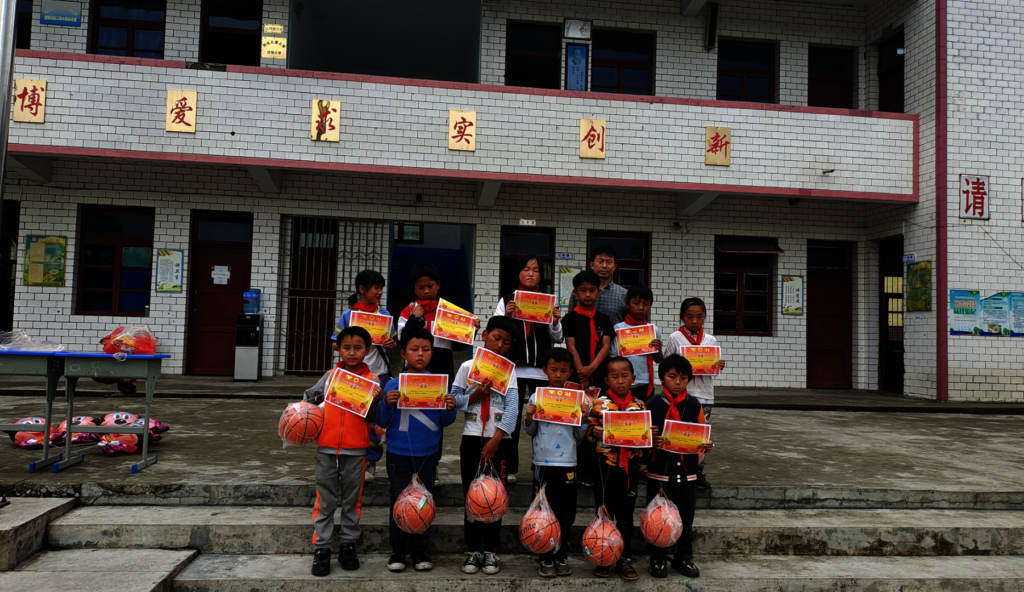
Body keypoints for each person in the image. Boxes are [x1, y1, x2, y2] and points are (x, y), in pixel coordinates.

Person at [376, 327, 458, 573]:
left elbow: (446, 422)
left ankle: (420, 550)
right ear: (403, 353)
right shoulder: (393, 385)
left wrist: (450, 408)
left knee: (424, 503)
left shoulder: (439, 384)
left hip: (427, 455)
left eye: (426, 349)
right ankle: (398, 550)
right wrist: (386, 403)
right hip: (398, 455)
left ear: (432, 353)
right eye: (414, 349)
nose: (420, 354)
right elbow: (382, 421)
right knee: (398, 502)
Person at [303, 326, 383, 577]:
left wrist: (376, 401)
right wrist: (298, 418)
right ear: (339, 348)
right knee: (325, 500)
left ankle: (348, 545)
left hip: (356, 450)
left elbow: (372, 418)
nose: (352, 352)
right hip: (326, 449)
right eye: (346, 347)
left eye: (358, 348)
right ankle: (322, 548)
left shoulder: (373, 381)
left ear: (367, 351)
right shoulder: (330, 376)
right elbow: (309, 400)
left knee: (351, 500)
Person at [452, 315, 520, 576]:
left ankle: (491, 549)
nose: (500, 345)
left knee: (495, 496)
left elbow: (513, 408)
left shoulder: (509, 371)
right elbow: (453, 400)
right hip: (471, 438)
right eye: (496, 338)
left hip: (499, 441)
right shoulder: (467, 367)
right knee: (472, 495)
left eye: (506, 342)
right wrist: (475, 395)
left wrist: (497, 438)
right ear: (484, 336)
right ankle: (472, 549)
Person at [494, 253, 564, 485]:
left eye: (536, 270)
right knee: (511, 418)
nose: (531, 274)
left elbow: (558, 337)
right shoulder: (507, 300)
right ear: (518, 274)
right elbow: (496, 333)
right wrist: (507, 316)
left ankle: (541, 465)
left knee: (542, 418)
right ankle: (508, 468)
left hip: (540, 371)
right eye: (526, 269)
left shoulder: (548, 302)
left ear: (541, 276)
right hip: (512, 370)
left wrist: (555, 321)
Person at [522, 347, 589, 578]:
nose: (558, 375)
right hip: (542, 464)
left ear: (570, 372)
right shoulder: (536, 397)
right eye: (553, 370)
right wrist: (529, 416)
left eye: (563, 370)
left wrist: (584, 420)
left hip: (568, 464)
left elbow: (579, 437)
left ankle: (561, 554)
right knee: (542, 513)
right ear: (545, 370)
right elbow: (530, 431)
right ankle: (545, 555)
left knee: (565, 513)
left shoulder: (577, 400)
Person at [645, 354, 712, 579]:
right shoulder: (651, 404)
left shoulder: (694, 404)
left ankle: (684, 557)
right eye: (672, 377)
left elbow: (703, 433)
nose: (677, 382)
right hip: (659, 474)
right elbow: (641, 438)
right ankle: (658, 557)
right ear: (662, 378)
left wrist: (707, 445)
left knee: (685, 517)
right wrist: (652, 442)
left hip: (687, 475)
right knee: (658, 518)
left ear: (689, 380)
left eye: (683, 378)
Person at [586, 356, 653, 580]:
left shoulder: (640, 406)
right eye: (615, 377)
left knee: (625, 515)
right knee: (604, 512)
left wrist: (648, 435)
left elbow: (644, 442)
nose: (621, 380)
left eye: (625, 376)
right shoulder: (598, 404)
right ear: (606, 380)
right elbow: (587, 435)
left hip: (630, 467)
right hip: (605, 466)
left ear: (633, 378)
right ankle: (603, 556)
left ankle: (624, 558)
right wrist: (594, 433)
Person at [336, 269, 397, 484]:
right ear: (362, 289)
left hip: (378, 374)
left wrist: (391, 342)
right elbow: (335, 343)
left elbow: (393, 341)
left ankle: (370, 462)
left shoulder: (385, 315)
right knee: (351, 417)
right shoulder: (348, 315)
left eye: (381, 288)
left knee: (375, 421)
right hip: (353, 376)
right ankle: (348, 459)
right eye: (376, 288)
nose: (380, 292)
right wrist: (352, 346)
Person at [664, 297, 726, 489]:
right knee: (679, 429)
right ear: (682, 317)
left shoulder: (710, 340)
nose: (694, 321)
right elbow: (666, 364)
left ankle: (698, 469)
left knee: (701, 432)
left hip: (705, 394)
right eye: (689, 316)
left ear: (705, 317)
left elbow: (712, 368)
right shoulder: (675, 338)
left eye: (699, 316)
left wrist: (717, 365)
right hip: (682, 393)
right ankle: (674, 464)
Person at [562, 269, 614, 487]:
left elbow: (606, 347)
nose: (588, 294)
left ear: (598, 292)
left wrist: (591, 369)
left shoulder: (604, 319)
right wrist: (582, 372)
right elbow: (570, 346)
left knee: (596, 421)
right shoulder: (570, 319)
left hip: (598, 378)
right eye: (583, 290)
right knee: (576, 420)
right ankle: (575, 467)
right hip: (575, 378)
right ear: (575, 292)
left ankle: (594, 468)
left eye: (592, 290)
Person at [397, 262, 469, 385]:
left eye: (430, 286)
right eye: (420, 288)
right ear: (414, 289)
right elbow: (402, 338)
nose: (426, 291)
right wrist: (415, 318)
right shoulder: (408, 311)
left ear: (438, 285)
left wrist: (471, 331)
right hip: (415, 363)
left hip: (443, 363)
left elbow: (458, 346)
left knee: (443, 395)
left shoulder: (450, 312)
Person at [611, 284, 664, 399]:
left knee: (644, 410)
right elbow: (612, 358)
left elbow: (658, 359)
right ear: (627, 304)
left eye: (645, 304)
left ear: (650, 306)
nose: (641, 308)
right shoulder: (618, 329)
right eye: (636, 303)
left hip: (645, 381)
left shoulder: (653, 330)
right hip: (623, 382)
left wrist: (658, 349)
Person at [567, 245, 628, 325]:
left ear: (614, 266)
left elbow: (628, 324)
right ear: (592, 265)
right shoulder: (578, 292)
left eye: (609, 262)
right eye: (600, 261)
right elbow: (570, 320)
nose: (604, 265)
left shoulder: (624, 294)